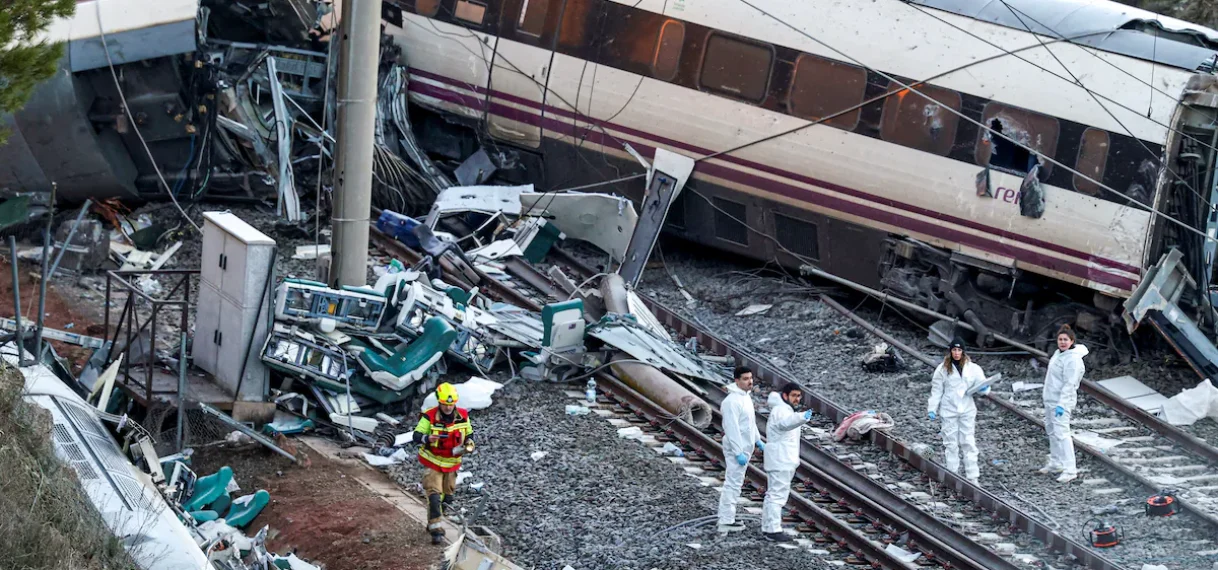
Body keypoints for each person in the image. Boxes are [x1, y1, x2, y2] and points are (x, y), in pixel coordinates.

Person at [408, 382, 475, 544]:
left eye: (451, 405)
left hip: (452, 464)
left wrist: (469, 443)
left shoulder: (463, 416)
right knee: (435, 496)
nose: (448, 408)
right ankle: (436, 530)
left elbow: (470, 433)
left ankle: (434, 519)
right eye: (445, 405)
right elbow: (416, 435)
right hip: (433, 463)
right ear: (439, 402)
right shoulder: (429, 417)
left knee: (448, 498)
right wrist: (427, 438)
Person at [927, 338, 990, 484]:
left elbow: (983, 384)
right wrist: (932, 408)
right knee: (951, 443)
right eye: (954, 350)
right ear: (950, 351)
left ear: (963, 351)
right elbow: (937, 390)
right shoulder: (942, 369)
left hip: (967, 409)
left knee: (968, 442)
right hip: (949, 410)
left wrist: (984, 389)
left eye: (959, 350)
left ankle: (973, 477)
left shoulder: (973, 368)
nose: (956, 353)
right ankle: (952, 475)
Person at [761, 383, 813, 542]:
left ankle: (769, 528)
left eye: (799, 396)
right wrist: (802, 417)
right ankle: (773, 530)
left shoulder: (784, 410)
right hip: (781, 460)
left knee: (775, 494)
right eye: (794, 396)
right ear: (785, 396)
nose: (797, 399)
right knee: (777, 495)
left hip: (782, 459)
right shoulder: (781, 411)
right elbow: (785, 424)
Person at [1041, 324, 1088, 483]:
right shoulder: (1058, 354)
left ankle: (1070, 469)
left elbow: (1070, 384)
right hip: (1050, 400)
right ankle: (1056, 462)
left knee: (1062, 434)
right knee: (1052, 431)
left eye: (1065, 340)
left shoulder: (1073, 360)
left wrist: (1062, 404)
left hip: (1061, 402)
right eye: (1060, 339)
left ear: (1072, 341)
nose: (1062, 342)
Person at [718, 365, 762, 533]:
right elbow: (732, 429)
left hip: (745, 446)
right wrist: (738, 452)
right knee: (733, 483)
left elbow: (749, 422)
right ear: (736, 381)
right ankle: (726, 520)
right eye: (745, 379)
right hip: (738, 448)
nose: (750, 381)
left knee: (736, 482)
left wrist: (758, 440)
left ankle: (729, 517)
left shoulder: (745, 397)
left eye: (751, 378)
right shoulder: (731, 402)